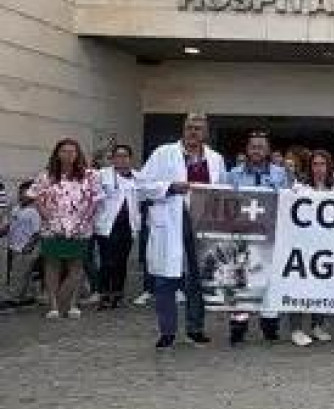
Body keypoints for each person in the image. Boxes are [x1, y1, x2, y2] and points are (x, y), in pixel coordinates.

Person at [137, 113, 221, 349]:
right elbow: (141, 186)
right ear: (183, 130)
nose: (193, 132)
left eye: (198, 128)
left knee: (199, 275)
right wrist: (170, 187)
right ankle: (167, 331)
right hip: (171, 219)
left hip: (203, 221)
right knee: (165, 279)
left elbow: (222, 191)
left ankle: (195, 328)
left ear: (205, 133)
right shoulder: (163, 153)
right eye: (189, 127)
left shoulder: (215, 159)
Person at [222, 131, 290, 346]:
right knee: (241, 280)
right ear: (247, 149)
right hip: (242, 235)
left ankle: (270, 325)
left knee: (270, 281)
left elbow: (288, 201)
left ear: (268, 150)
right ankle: (238, 326)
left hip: (270, 236)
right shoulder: (233, 174)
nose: (257, 151)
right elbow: (222, 200)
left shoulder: (280, 174)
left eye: (261, 147)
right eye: (253, 147)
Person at [32, 138, 101, 320]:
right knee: (52, 265)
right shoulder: (46, 176)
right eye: (64, 151)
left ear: (78, 154)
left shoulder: (90, 175)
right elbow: (37, 199)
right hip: (52, 227)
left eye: (72, 151)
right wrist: (48, 218)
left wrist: (83, 222)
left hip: (80, 227)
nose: (68, 155)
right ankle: (53, 306)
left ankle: (71, 304)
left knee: (76, 266)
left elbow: (95, 201)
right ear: (57, 154)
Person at [285, 150, 334, 346]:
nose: (319, 168)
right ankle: (296, 329)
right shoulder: (300, 188)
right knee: (298, 286)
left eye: (323, 164)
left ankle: (317, 326)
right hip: (302, 245)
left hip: (326, 245)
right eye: (315, 164)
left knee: (321, 286)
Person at [93, 144, 141, 309]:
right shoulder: (102, 175)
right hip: (108, 224)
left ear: (130, 159)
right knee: (107, 261)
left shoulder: (138, 177)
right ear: (112, 159)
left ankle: (118, 294)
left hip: (128, 225)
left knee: (122, 261)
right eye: (118, 156)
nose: (122, 159)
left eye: (125, 156)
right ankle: (104, 294)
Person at [0, 181, 41, 311]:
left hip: (25, 248)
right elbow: (10, 225)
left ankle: (14, 298)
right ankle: (24, 296)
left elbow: (37, 232)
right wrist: (3, 232)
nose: (22, 196)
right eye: (21, 193)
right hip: (14, 246)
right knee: (16, 272)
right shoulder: (16, 208)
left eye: (25, 193)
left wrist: (29, 246)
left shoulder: (34, 211)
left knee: (20, 273)